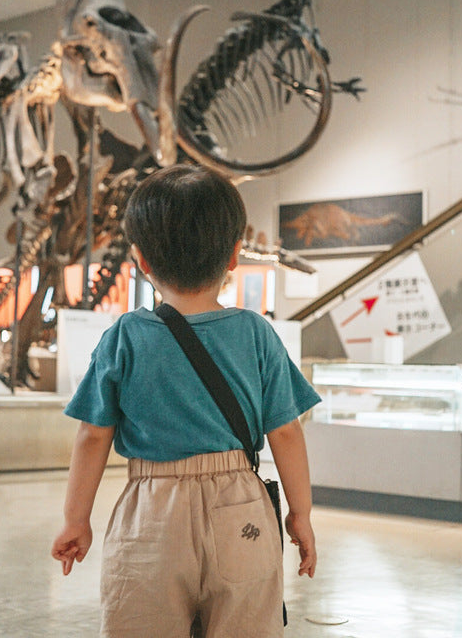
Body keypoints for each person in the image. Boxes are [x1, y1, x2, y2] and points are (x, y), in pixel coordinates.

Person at [51, 164, 320, 638]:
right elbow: (286, 430)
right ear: (235, 254)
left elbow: (93, 435)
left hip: (152, 512)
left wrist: (77, 519)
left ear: (141, 260)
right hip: (241, 509)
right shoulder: (256, 332)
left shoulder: (126, 336)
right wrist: (300, 514)